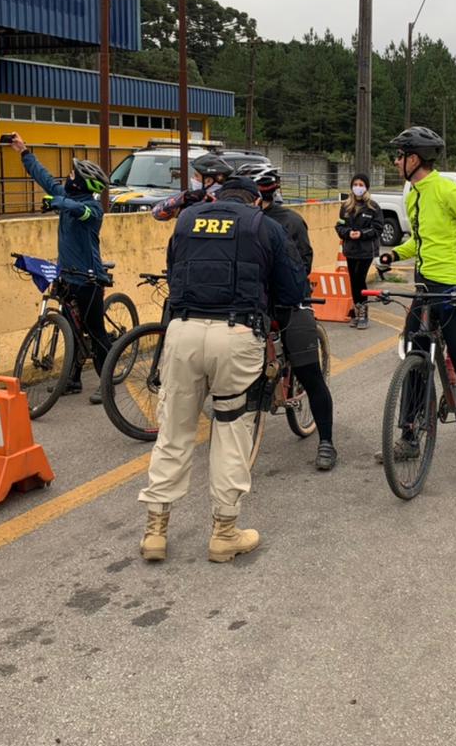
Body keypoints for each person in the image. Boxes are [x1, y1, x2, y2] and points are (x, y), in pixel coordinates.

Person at [137, 176, 305, 563]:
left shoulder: (186, 220)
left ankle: (155, 532)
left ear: (218, 198)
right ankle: (224, 533)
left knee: (173, 431)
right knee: (231, 431)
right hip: (237, 336)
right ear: (255, 201)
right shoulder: (264, 225)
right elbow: (293, 289)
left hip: (183, 332)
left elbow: (174, 271)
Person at [378, 127, 456, 484]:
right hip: (426, 287)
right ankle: (409, 438)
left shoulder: (448, 190)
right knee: (414, 359)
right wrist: (393, 255)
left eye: (399, 155)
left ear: (414, 159)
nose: (395, 161)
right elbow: (422, 242)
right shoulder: (414, 194)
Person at [237, 163, 339, 471]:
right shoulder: (238, 222)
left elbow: (303, 264)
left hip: (290, 304)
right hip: (252, 305)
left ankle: (326, 441)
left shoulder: (291, 221)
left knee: (310, 373)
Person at [10, 134, 112, 404]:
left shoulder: (93, 209)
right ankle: (73, 379)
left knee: (96, 332)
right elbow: (44, 178)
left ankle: (107, 385)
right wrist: (24, 152)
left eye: (72, 174)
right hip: (67, 277)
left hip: (88, 280)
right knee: (72, 330)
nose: (68, 176)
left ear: (82, 182)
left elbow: (78, 210)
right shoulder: (66, 195)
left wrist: (57, 202)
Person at [336, 172, 383, 330]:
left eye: (361, 185)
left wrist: (362, 234)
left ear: (366, 187)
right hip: (350, 250)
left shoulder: (373, 207)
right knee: (353, 280)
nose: (358, 187)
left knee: (360, 279)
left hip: (366, 250)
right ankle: (356, 310)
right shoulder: (346, 207)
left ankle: (363, 312)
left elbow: (378, 228)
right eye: (355, 185)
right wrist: (348, 233)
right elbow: (340, 226)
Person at [150, 153, 234, 221]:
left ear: (208, 181)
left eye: (196, 176)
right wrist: (185, 197)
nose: (193, 179)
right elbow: (157, 213)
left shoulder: (227, 199)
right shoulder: (194, 199)